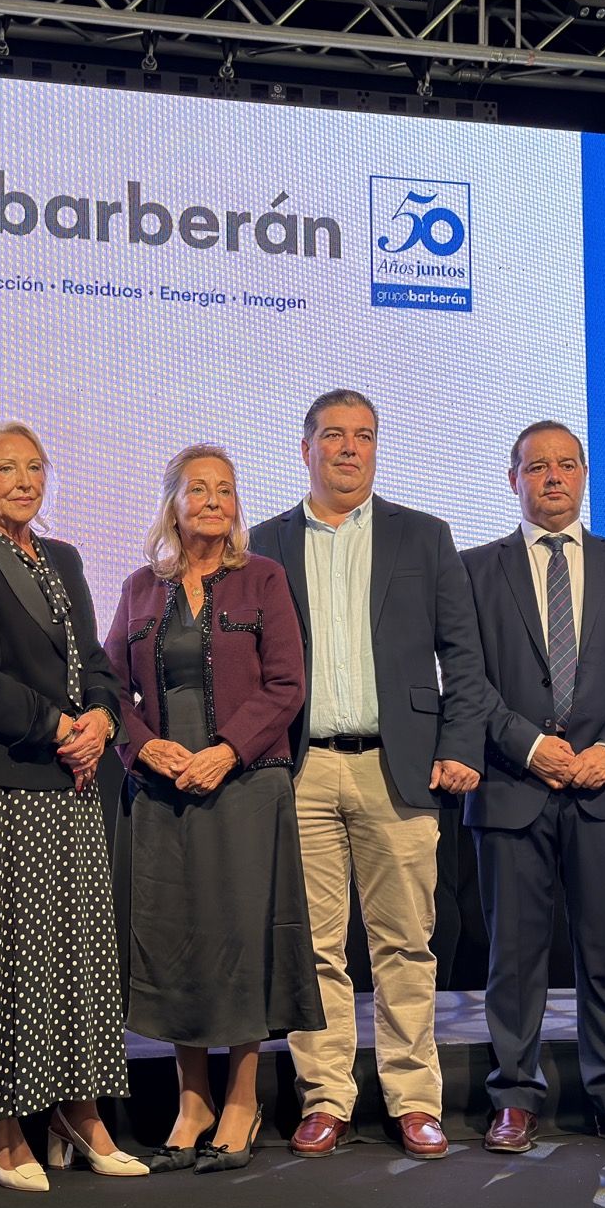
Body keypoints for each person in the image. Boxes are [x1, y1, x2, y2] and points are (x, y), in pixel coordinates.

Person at [249, 389, 488, 1161]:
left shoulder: (424, 536)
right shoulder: (263, 544)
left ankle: (414, 1099)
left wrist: (458, 745)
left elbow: (465, 657)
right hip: (304, 768)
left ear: (377, 448)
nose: (348, 449)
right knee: (316, 947)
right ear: (304, 447)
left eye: (363, 437)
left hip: (401, 766)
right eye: (332, 436)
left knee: (405, 945)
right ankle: (326, 1097)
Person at [0, 421, 145, 1190]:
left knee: (75, 959)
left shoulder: (67, 558)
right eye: (6, 468)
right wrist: (59, 728)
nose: (24, 480)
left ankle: (78, 1111)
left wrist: (104, 720)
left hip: (73, 791)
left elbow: (97, 665)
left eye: (35, 466)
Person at [104, 445, 321, 1174]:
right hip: (164, 793)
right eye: (198, 489)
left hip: (246, 785)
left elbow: (287, 685)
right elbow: (109, 691)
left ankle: (241, 1098)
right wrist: (144, 750)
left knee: (241, 936)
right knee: (175, 940)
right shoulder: (139, 588)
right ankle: (191, 1097)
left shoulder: (264, 578)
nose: (213, 500)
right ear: (172, 502)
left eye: (225, 489)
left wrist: (227, 750)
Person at [461, 422, 605, 1155]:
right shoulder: (472, 571)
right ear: (512, 477)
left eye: (566, 465)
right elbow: (466, 684)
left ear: (585, 475)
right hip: (511, 785)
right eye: (536, 466)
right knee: (511, 958)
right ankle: (514, 1097)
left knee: (604, 951)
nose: (552, 477)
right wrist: (529, 745)